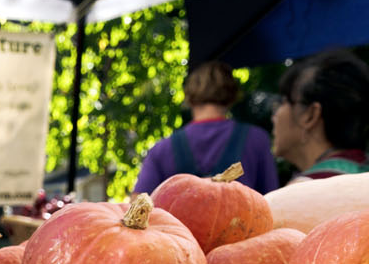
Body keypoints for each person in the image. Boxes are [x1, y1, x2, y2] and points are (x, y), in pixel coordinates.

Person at [135, 61, 278, 195]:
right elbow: (271, 201)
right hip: (241, 220)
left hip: (175, 221)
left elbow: (136, 205)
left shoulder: (161, 150)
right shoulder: (256, 140)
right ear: (232, 94)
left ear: (188, 95)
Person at [271, 47, 369, 179]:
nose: (274, 116)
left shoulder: (301, 191)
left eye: (283, 101)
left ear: (310, 115)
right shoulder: (362, 172)